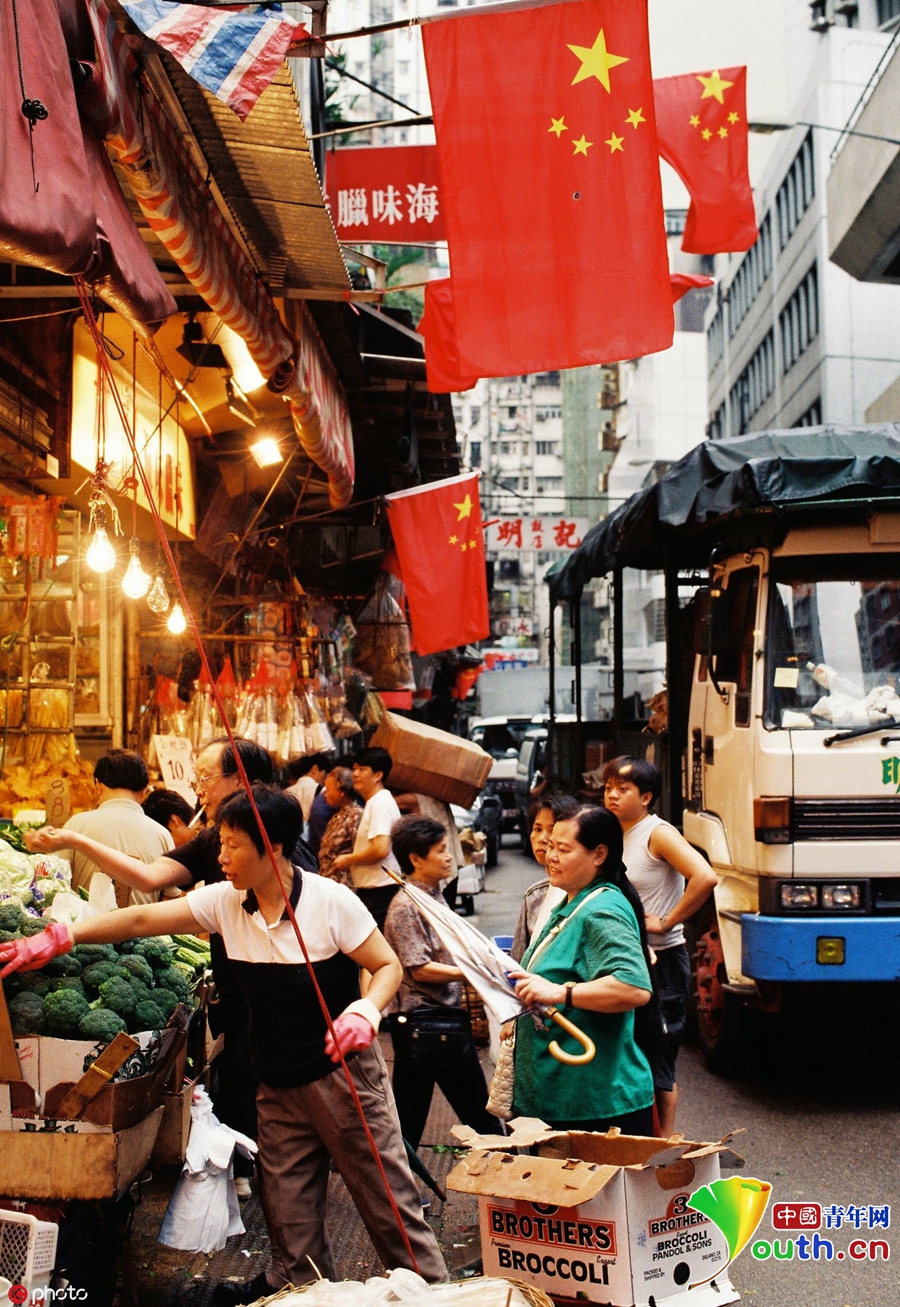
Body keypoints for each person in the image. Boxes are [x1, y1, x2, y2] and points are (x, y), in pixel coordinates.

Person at [2, 785, 446, 1301]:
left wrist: (364, 1012)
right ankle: (303, 1293)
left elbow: (387, 964)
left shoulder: (332, 902)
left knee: (387, 1202)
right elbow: (143, 919)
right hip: (277, 1086)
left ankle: (435, 1294)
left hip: (343, 1081)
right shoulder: (226, 903)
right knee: (288, 1211)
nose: (221, 858)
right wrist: (63, 936)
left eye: (232, 845)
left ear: (272, 848)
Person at [26, 736, 292, 1193]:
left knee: (311, 1127)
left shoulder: (307, 887)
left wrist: (365, 1013)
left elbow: (377, 960)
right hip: (239, 993)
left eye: (205, 777)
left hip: (284, 1012)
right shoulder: (214, 853)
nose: (197, 788)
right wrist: (71, 846)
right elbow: (148, 890)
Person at [509, 806, 655, 1134]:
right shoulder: (573, 903)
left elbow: (633, 987)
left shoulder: (601, 910)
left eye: (563, 849)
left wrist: (562, 993)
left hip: (594, 1106)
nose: (550, 856)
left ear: (599, 854)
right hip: (562, 1097)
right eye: (550, 846)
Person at [603, 756, 718, 1136]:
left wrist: (668, 920)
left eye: (623, 789)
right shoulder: (612, 832)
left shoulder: (657, 832)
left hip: (662, 961)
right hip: (622, 959)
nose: (613, 796)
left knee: (659, 1059)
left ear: (647, 796)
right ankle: (631, 1140)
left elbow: (704, 876)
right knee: (625, 1055)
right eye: (608, 788)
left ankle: (663, 1145)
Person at [384, 815, 499, 1150]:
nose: (449, 856)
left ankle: (398, 1193)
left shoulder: (432, 895)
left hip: (434, 1023)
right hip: (428, 1022)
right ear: (416, 859)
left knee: (410, 1119)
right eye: (440, 850)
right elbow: (419, 969)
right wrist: (471, 972)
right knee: (479, 1115)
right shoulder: (406, 905)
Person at [57, 749, 174, 907]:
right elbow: (169, 900)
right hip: (144, 931)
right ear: (145, 789)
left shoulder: (75, 826)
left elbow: (55, 884)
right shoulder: (162, 835)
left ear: (98, 784)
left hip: (85, 929)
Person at [332, 747, 402, 929]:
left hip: (380, 891)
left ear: (378, 775)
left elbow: (381, 848)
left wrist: (348, 859)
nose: (355, 774)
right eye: (355, 768)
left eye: (362, 769)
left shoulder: (380, 802)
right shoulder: (375, 801)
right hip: (374, 890)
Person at [510, 794, 581, 962]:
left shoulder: (587, 892)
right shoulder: (534, 896)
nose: (543, 839)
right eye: (537, 829)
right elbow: (520, 960)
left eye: (552, 829)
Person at [317, 767, 362, 883]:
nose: (325, 795)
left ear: (342, 792)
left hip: (345, 885)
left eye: (328, 790)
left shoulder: (355, 815)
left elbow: (359, 852)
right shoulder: (336, 816)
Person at [285, 753, 332, 825]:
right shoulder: (323, 791)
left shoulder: (286, 792)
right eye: (324, 774)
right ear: (315, 769)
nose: (324, 779)